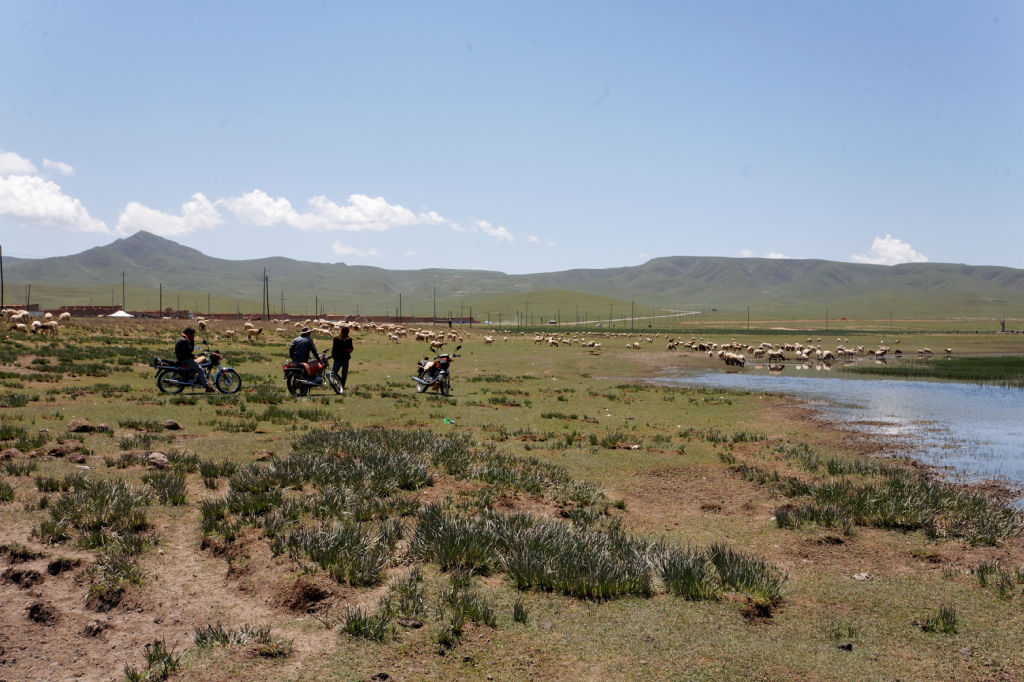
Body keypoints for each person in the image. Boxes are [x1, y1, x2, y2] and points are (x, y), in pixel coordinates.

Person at [175, 327, 215, 392]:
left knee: (202, 361)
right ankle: (207, 387)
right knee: (200, 369)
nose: (193, 336)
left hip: (184, 358)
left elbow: (186, 352)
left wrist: (192, 356)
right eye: (192, 335)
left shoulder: (182, 339)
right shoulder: (184, 341)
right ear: (189, 334)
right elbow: (191, 349)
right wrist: (192, 340)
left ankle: (198, 380)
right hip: (185, 360)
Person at [331, 326, 354, 391]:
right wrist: (334, 356)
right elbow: (334, 349)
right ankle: (340, 381)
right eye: (346, 333)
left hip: (345, 359)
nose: (347, 334)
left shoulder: (349, 339)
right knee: (333, 373)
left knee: (344, 374)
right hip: (337, 359)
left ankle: (341, 388)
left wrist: (350, 350)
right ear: (342, 332)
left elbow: (351, 348)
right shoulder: (336, 339)